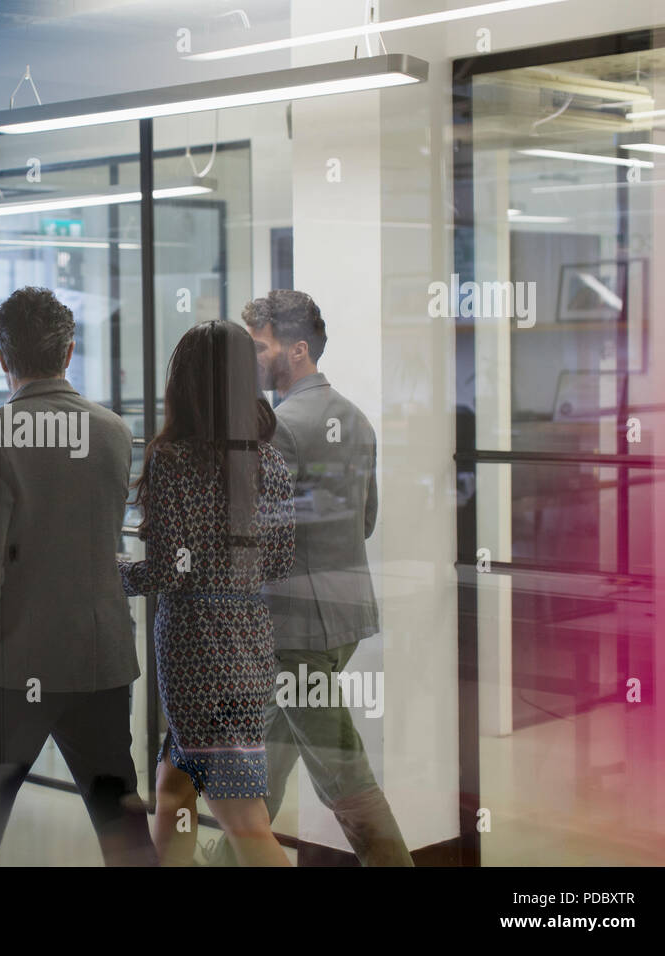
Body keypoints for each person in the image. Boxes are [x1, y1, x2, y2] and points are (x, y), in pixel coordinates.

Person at [0, 286, 156, 867]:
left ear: (2, 358)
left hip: (10, 668)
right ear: (69, 352)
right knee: (124, 830)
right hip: (99, 662)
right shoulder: (112, 431)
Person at [232, 289, 414, 866]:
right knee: (262, 768)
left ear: (297, 350)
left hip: (294, 636)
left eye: (260, 347)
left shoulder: (281, 427)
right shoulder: (356, 419)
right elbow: (363, 519)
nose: (251, 359)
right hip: (342, 620)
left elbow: (260, 536)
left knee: (343, 776)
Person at [118, 319, 295, 867]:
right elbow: (281, 561)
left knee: (244, 821)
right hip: (249, 649)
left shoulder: (175, 460)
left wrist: (117, 572)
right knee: (174, 791)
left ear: (186, 383)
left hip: (197, 656)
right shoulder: (268, 460)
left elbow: (170, 571)